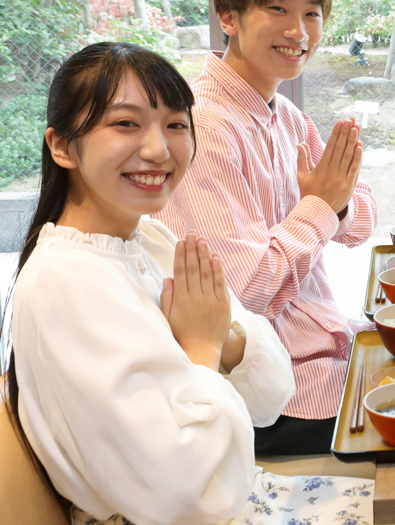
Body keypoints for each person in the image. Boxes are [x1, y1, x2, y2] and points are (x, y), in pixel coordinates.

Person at [7, 41, 373, 525]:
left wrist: (227, 341)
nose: (158, 150)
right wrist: (204, 347)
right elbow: (190, 495)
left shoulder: (148, 239)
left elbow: (271, 392)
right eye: (126, 124)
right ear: (61, 146)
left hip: (240, 489)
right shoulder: (67, 282)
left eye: (176, 125)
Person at [155, 0, 379, 455]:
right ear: (228, 18)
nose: (299, 31)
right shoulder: (205, 127)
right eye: (278, 9)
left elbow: (363, 221)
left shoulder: (286, 116)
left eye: (311, 14)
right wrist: (320, 209)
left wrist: (334, 205)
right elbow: (243, 298)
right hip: (273, 392)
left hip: (322, 348)